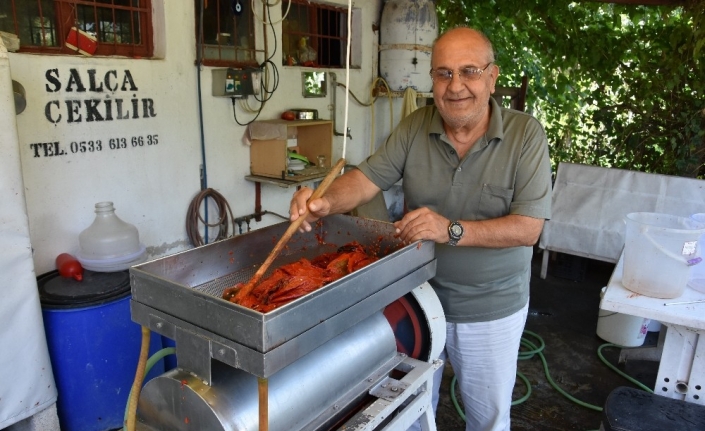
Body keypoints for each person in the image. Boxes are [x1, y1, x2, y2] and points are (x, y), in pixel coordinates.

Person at [289, 26, 552, 431]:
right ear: (431, 78)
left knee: (488, 418)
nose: (456, 86)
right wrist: (324, 202)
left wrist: (450, 230)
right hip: (417, 299)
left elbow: (528, 228)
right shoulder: (416, 126)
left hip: (491, 310)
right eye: (443, 73)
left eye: (469, 71)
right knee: (408, 410)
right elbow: (365, 179)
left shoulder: (525, 135)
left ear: (493, 76)